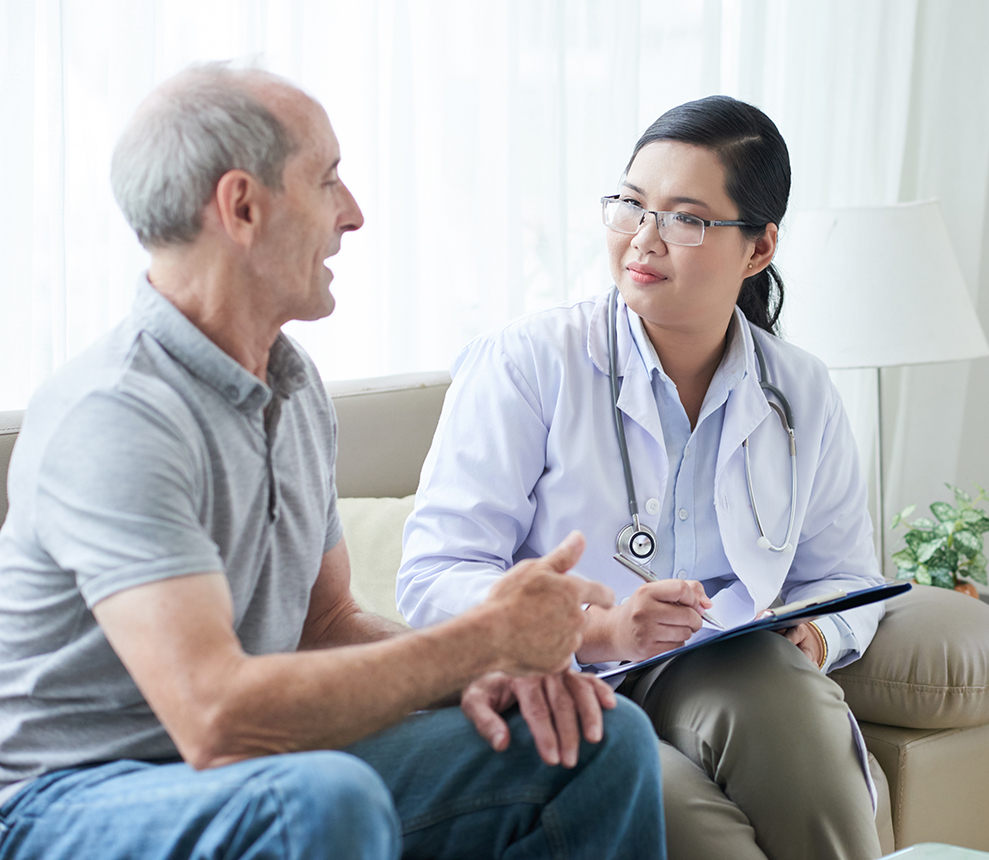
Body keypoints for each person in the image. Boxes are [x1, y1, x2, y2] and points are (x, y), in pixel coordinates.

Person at [0, 63, 668, 860]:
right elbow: (214, 716)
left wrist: (488, 676)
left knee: (597, 737)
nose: (353, 214)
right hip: (68, 797)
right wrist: (482, 641)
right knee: (319, 801)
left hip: (256, 773)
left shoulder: (290, 384)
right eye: (328, 181)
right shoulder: (116, 415)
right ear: (242, 207)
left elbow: (325, 623)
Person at [398, 95, 886, 860]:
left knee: (793, 711)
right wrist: (596, 630)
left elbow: (844, 575)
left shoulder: (800, 390)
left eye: (685, 218)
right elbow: (434, 575)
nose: (642, 240)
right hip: (563, 676)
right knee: (677, 811)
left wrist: (818, 634)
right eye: (629, 206)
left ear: (758, 249)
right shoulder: (530, 361)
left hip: (720, 665)